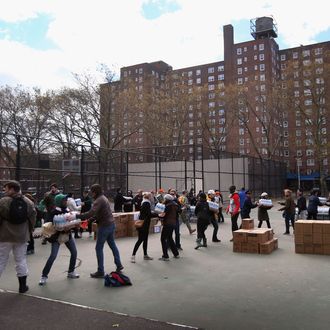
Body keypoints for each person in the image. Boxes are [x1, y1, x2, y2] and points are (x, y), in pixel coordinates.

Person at [76, 184, 124, 277]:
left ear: (95, 192)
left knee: (99, 248)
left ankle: (100, 271)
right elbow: (99, 213)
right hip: (111, 225)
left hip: (104, 226)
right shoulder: (103, 198)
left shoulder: (99, 200)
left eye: (92, 192)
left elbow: (91, 213)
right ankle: (119, 265)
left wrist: (77, 216)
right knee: (112, 245)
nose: (91, 194)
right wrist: (89, 221)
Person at [0, 181, 36, 293]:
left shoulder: (3, 201)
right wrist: (30, 229)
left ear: (12, 189)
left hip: (4, 235)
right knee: (21, 260)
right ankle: (22, 286)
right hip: (21, 236)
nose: (4, 191)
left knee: (1, 260)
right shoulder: (28, 202)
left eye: (6, 189)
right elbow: (33, 216)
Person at [39, 193, 80, 285]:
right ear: (59, 201)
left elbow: (70, 222)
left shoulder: (67, 210)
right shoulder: (53, 212)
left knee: (74, 252)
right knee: (53, 256)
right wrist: (58, 228)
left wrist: (74, 225)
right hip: (56, 238)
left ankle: (71, 271)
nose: (66, 202)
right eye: (64, 200)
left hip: (67, 235)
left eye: (66, 200)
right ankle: (44, 276)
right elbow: (48, 226)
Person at [131, 192, 158, 263]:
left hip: (144, 224)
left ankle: (145, 255)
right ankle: (133, 256)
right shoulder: (147, 203)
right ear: (148, 197)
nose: (152, 197)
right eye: (151, 196)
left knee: (145, 240)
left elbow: (146, 213)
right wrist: (158, 214)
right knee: (140, 240)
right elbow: (148, 214)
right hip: (143, 225)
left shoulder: (144, 202)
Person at [158, 194, 180, 261]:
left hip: (167, 224)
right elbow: (180, 211)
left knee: (163, 239)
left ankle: (165, 256)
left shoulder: (167, 206)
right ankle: (176, 253)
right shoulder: (175, 205)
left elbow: (163, 215)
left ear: (166, 199)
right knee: (170, 238)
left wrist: (158, 215)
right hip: (174, 223)